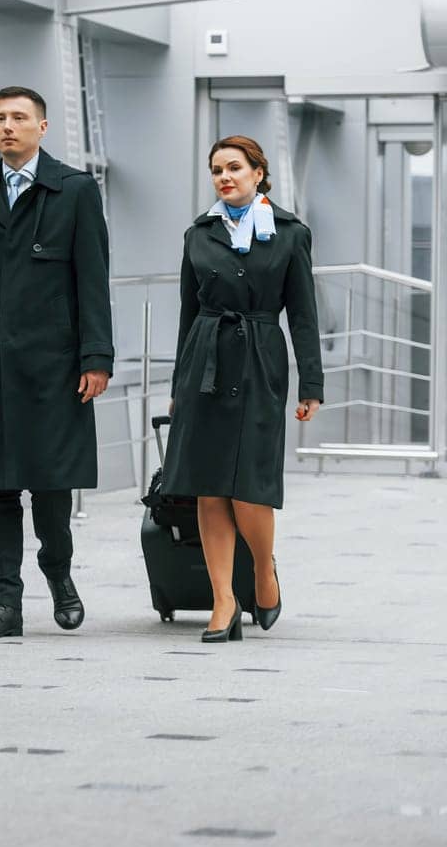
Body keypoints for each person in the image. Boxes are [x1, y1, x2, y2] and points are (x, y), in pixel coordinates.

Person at [0, 86, 113, 639]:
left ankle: (60, 576)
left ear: (42, 127)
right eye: (0, 118)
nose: (8, 127)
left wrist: (96, 357)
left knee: (51, 485)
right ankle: (5, 601)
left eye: (20, 118)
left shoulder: (75, 191)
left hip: (54, 366)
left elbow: (92, 281)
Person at [165, 135, 321, 642]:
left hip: (260, 361)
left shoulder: (291, 234)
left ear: (258, 173)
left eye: (234, 167)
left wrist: (311, 383)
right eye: (216, 170)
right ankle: (223, 602)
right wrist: (177, 385)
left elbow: (302, 314)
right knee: (210, 487)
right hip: (205, 365)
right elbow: (188, 314)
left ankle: (261, 570)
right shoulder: (198, 234)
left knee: (250, 487)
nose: (224, 177)